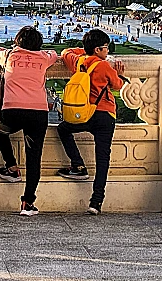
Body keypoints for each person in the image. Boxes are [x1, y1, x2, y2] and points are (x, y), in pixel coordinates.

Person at [56, 29, 125, 215]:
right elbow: (118, 85)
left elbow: (65, 53)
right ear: (97, 49)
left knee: (63, 130)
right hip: (105, 115)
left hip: (84, 114)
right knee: (103, 160)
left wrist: (83, 52)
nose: (107, 52)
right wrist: (117, 73)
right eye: (105, 48)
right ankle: (96, 202)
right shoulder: (104, 66)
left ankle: (78, 164)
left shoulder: (78, 62)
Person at [0, 26, 58, 215]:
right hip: (38, 112)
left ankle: (11, 166)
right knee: (34, 158)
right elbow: (55, 55)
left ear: (17, 40)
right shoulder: (44, 58)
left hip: (13, 110)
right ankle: (28, 203)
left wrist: (14, 49)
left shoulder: (9, 55)